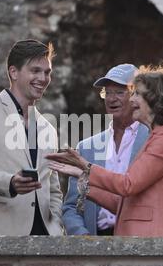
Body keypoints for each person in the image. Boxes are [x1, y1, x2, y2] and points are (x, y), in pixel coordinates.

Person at [47, 63, 163, 237]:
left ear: (154, 99)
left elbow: (127, 185)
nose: (132, 99)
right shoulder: (157, 136)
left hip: (154, 243)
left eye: (136, 93)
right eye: (107, 92)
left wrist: (87, 168)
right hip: (133, 243)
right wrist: (83, 179)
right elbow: (124, 204)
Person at [0, 39, 63, 236]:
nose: (43, 78)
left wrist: (56, 225)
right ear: (13, 72)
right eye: (35, 70)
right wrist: (9, 183)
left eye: (47, 72)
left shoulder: (48, 127)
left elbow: (53, 188)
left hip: (45, 241)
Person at [62, 64, 149, 235]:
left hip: (142, 243)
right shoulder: (87, 148)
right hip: (96, 246)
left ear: (137, 96)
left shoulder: (153, 139)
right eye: (107, 92)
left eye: (119, 92)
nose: (111, 99)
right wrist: (84, 239)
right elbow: (71, 207)